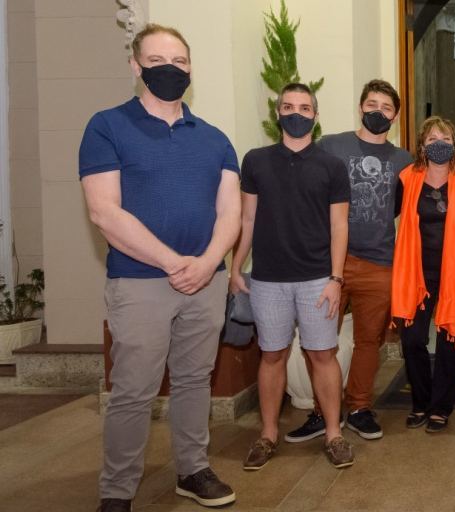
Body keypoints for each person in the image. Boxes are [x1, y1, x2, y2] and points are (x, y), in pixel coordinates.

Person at [80, 24, 239, 511]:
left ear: (191, 68)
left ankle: (192, 469)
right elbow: (104, 211)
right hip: (140, 281)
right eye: (157, 61)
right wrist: (174, 262)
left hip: (205, 282)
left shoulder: (215, 138)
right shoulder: (107, 126)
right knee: (133, 390)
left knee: (195, 380)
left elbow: (231, 212)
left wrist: (209, 262)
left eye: (180, 61)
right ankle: (117, 490)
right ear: (136, 66)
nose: (171, 69)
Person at [232, 83, 354, 471]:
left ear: (316, 117)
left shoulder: (332, 166)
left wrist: (336, 278)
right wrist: (236, 266)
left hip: (318, 277)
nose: (296, 113)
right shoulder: (255, 160)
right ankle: (267, 434)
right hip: (268, 279)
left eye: (304, 107)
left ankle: (334, 434)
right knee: (272, 355)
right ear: (278, 113)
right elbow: (247, 218)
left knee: (323, 354)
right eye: (288, 106)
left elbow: (340, 226)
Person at [286, 79, 412, 442]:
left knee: (369, 341)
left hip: (379, 263)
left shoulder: (402, 160)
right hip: (330, 265)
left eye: (386, 108)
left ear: (396, 116)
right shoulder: (332, 146)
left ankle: (359, 407)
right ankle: (322, 412)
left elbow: (406, 202)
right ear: (360, 107)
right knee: (319, 340)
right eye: (372, 104)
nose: (378, 112)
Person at [392, 116, 455, 433]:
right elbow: (390, 217)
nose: (439, 143)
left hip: (452, 273)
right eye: (432, 138)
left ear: (454, 145)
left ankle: (441, 407)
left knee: (449, 339)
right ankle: (421, 402)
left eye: (445, 138)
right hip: (416, 275)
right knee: (412, 340)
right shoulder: (407, 178)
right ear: (422, 146)